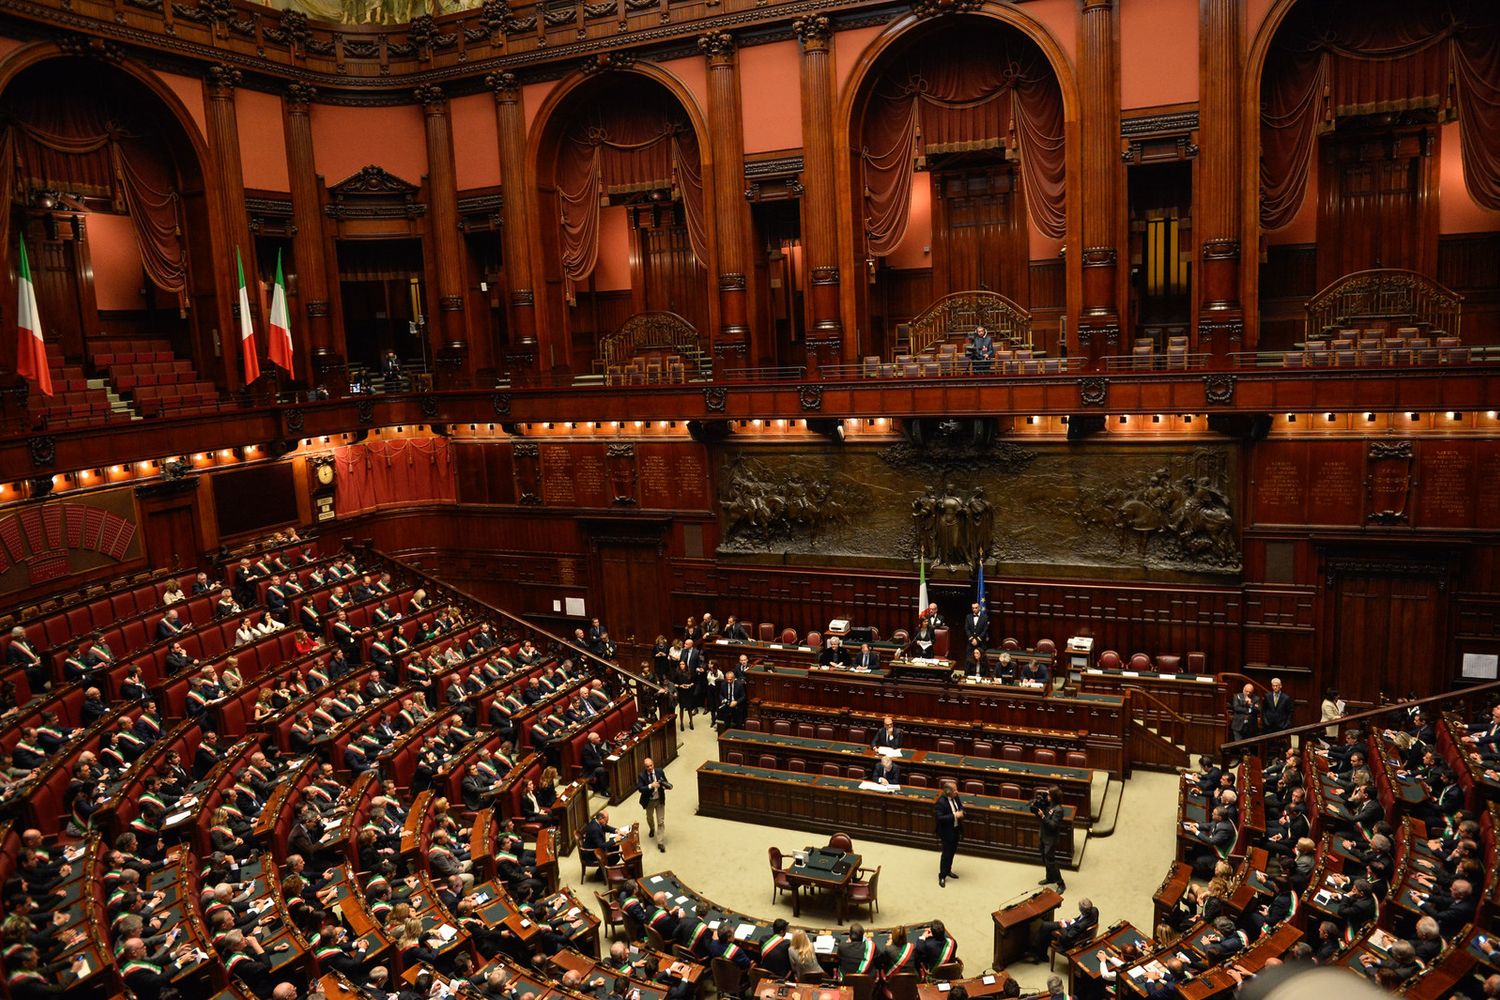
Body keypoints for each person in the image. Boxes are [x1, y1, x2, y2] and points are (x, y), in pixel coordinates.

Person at [1034, 785, 1066, 890]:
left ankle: (1061, 884)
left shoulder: (1058, 810)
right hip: (1043, 835)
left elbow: (1053, 826)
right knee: (1044, 858)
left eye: (1049, 795)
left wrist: (1043, 816)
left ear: (1053, 797)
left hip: (1050, 839)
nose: (1047, 796)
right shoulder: (1049, 805)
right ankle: (1050, 878)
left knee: (1051, 861)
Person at [638, 757, 670, 852]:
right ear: (645, 767)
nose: (650, 768)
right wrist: (650, 786)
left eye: (651, 765)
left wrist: (665, 786)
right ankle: (652, 828)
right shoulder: (642, 776)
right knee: (649, 817)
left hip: (659, 800)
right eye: (647, 766)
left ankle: (660, 842)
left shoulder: (659, 771)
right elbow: (640, 789)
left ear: (653, 764)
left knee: (661, 821)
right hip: (649, 801)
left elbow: (665, 781)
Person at [934, 780, 963, 886]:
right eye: (955, 790)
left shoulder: (956, 797)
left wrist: (962, 811)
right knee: (946, 854)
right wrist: (955, 815)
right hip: (946, 832)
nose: (957, 792)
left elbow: (960, 807)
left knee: (952, 852)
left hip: (956, 829)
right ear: (948, 792)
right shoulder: (941, 802)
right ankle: (942, 876)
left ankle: (948, 870)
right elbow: (939, 818)